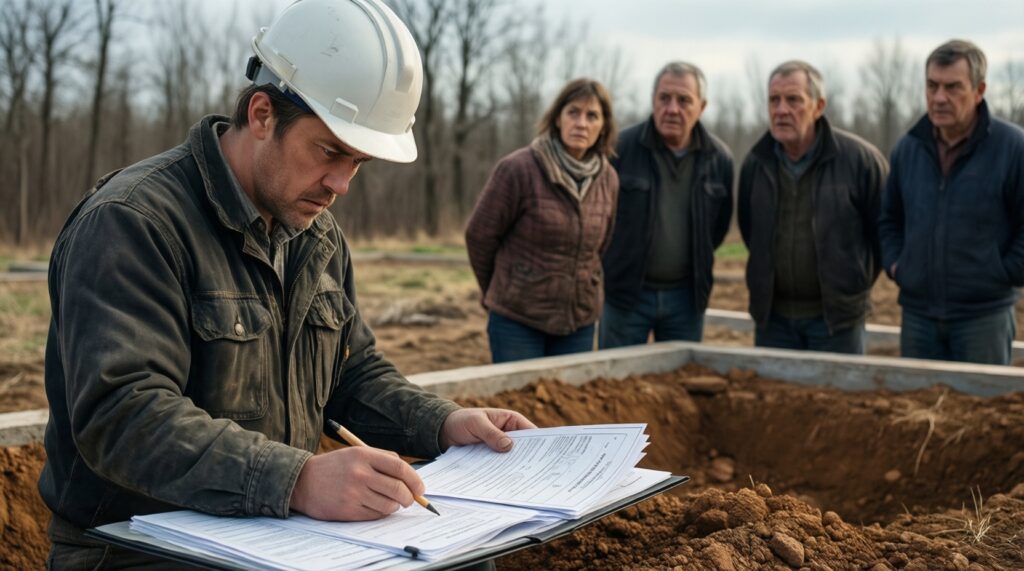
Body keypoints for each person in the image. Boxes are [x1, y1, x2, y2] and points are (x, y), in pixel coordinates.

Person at [38, 1, 534, 567]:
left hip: (273, 532)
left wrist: (441, 423)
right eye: (330, 152)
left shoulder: (313, 234)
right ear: (262, 114)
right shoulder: (134, 223)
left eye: (359, 163)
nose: (341, 185)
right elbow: (123, 415)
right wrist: (295, 480)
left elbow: (350, 372)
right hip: (140, 546)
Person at [879, 39, 1024, 365]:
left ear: (979, 89)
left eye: (953, 87)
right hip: (918, 316)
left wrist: (1003, 272)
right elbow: (889, 219)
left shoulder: (1012, 148)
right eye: (932, 86)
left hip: (983, 317)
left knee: (980, 410)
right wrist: (898, 266)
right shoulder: (908, 149)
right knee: (916, 408)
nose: (939, 97)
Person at [737, 60, 887, 353]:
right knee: (776, 398)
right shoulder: (756, 164)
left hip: (836, 322)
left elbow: (882, 233)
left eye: (793, 100)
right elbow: (749, 230)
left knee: (839, 397)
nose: (781, 110)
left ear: (818, 106)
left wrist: (850, 287)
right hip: (773, 322)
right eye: (774, 100)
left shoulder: (860, 161)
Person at [465, 78, 619, 363]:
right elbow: (479, 236)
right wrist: (498, 290)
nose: (581, 123)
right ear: (558, 118)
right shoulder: (518, 168)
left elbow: (601, 244)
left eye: (592, 116)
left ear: (603, 127)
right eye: (573, 112)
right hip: (517, 320)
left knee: (569, 403)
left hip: (579, 322)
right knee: (518, 404)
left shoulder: (609, 178)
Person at [599, 61, 733, 348]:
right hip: (626, 295)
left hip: (686, 299)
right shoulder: (620, 148)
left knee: (677, 386)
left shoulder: (719, 158)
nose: (672, 109)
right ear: (653, 101)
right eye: (664, 98)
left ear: (702, 107)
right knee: (615, 384)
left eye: (684, 100)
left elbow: (718, 228)